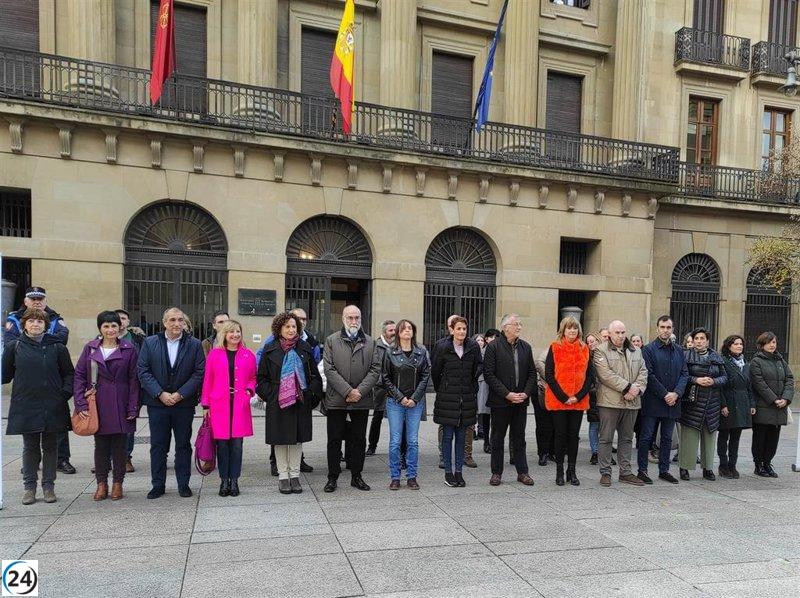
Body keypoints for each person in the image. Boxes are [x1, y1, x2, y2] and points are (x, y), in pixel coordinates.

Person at [4, 308, 74, 505]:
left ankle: (48, 486)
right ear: (24, 324)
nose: (36, 324)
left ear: (46, 325)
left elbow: (69, 374)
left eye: (40, 322)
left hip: (53, 404)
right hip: (26, 404)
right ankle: (29, 487)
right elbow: (6, 375)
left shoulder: (57, 347)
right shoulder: (14, 347)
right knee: (30, 447)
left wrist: (64, 394)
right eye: (31, 321)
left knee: (51, 446)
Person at [137, 307, 205, 499]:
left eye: (180, 320)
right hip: (157, 404)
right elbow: (143, 370)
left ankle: (183, 484)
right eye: (172, 320)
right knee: (158, 445)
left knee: (183, 445)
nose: (177, 324)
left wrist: (180, 394)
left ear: (184, 323)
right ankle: (158, 484)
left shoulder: (194, 344)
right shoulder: (150, 343)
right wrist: (160, 393)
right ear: (164, 322)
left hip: (183, 404)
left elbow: (199, 372)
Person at [74, 311, 140, 501]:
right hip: (98, 402)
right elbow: (79, 376)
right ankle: (101, 483)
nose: (110, 329)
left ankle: (118, 484)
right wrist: (80, 403)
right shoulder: (91, 349)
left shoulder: (129, 349)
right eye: (106, 326)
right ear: (100, 329)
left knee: (120, 447)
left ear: (120, 327)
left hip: (121, 401)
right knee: (101, 446)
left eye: (113, 325)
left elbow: (134, 380)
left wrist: (133, 407)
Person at [257, 312, 323, 494]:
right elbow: (261, 379)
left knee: (296, 441)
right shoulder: (270, 349)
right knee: (280, 441)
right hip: (278, 402)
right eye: (287, 326)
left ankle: (295, 475)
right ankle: (283, 477)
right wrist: (272, 395)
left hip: (300, 402)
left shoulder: (305, 348)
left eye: (294, 326)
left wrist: (309, 396)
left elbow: (315, 377)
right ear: (279, 328)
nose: (291, 329)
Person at [322, 305, 384, 492]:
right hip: (337, 401)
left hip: (361, 401)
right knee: (334, 440)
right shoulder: (331, 340)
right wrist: (347, 391)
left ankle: (356, 476)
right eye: (350, 318)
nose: (354, 321)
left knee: (358, 440)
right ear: (343, 319)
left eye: (357, 317)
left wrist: (359, 391)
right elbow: (329, 369)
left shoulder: (370, 342)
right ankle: (332, 477)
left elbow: (375, 369)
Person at [201, 320, 257, 497]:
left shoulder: (248, 354)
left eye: (238, 331)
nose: (235, 335)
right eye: (231, 331)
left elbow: (254, 377)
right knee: (222, 445)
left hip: (239, 404)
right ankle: (224, 480)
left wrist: (249, 390)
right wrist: (205, 404)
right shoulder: (214, 355)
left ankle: (234, 481)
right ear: (224, 334)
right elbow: (207, 380)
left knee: (237, 446)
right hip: (219, 405)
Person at [484, 314, 537, 486]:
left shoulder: (526, 347)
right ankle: (496, 473)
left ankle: (523, 472)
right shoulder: (493, 347)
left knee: (519, 438)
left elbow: (531, 374)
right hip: (500, 402)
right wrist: (507, 394)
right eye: (516, 324)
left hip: (520, 402)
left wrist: (525, 393)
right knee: (497, 438)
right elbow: (489, 375)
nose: (519, 327)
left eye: (520, 324)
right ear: (505, 327)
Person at [593, 320, 648, 487]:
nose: (621, 335)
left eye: (623, 332)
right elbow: (605, 375)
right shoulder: (600, 350)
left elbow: (643, 372)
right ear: (609, 334)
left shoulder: (636, 350)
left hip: (632, 402)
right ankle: (605, 473)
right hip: (610, 402)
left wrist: (637, 390)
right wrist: (628, 387)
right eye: (617, 332)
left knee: (626, 439)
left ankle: (625, 472)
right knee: (606, 439)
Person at [638, 316, 688, 485]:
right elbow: (649, 375)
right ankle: (642, 470)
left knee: (667, 438)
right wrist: (665, 394)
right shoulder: (649, 350)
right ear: (657, 328)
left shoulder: (679, 350)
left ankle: (664, 470)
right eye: (662, 327)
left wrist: (677, 393)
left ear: (672, 329)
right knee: (646, 437)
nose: (666, 330)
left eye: (669, 327)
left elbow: (684, 374)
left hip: (673, 402)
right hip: (654, 400)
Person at [543, 317, 592, 486]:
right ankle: (559, 471)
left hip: (578, 400)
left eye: (575, 328)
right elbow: (549, 374)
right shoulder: (555, 347)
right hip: (559, 400)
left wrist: (577, 396)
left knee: (573, 436)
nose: (572, 331)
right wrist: (564, 397)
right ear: (563, 330)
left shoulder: (585, 349)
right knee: (560, 435)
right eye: (569, 328)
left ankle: (572, 470)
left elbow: (589, 377)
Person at [433, 316, 481, 488]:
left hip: (466, 398)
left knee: (462, 437)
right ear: (451, 330)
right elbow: (436, 371)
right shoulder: (442, 346)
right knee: (447, 436)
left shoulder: (473, 346)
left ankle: (459, 472)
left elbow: (478, 367)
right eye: (458, 328)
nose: (462, 332)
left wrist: (471, 387)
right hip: (448, 398)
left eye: (464, 329)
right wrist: (445, 388)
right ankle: (448, 473)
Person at [383, 319, 430, 489]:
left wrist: (415, 398)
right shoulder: (390, 352)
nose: (407, 331)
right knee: (395, 441)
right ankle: (395, 476)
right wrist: (400, 398)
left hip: (415, 403)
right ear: (398, 332)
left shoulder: (421, 352)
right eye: (403, 329)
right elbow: (385, 377)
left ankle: (411, 476)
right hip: (395, 402)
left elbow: (426, 376)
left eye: (410, 328)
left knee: (413, 441)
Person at [678, 327, 727, 481]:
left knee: (710, 437)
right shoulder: (686, 355)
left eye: (702, 338)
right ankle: (684, 467)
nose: (699, 341)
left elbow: (725, 377)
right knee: (689, 437)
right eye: (696, 338)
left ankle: (708, 468)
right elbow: (682, 375)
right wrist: (696, 380)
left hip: (712, 402)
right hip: (693, 402)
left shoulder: (716, 357)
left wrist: (713, 381)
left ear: (707, 341)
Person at [750, 331, 794, 478]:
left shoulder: (781, 360)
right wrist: (774, 399)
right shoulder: (756, 361)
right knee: (760, 438)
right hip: (764, 406)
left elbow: (789, 379)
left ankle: (767, 463)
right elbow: (759, 383)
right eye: (769, 342)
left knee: (773, 439)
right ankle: (758, 465)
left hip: (779, 407)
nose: (772, 345)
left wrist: (786, 399)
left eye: (774, 342)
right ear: (762, 344)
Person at [718, 334, 755, 479]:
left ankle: (733, 465)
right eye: (736, 344)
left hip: (742, 402)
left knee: (736, 437)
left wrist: (751, 404)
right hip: (729, 402)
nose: (739, 346)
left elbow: (749, 386)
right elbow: (720, 387)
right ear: (729, 346)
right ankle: (723, 465)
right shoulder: (724, 362)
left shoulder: (746, 363)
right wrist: (723, 404)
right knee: (724, 435)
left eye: (741, 344)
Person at [116, 308, 145, 473]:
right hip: (108, 389)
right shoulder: (99, 341)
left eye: (124, 318)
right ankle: (107, 457)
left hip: (132, 388)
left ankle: (126, 457)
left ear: (128, 321)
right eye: (117, 318)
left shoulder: (137, 339)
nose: (120, 321)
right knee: (106, 424)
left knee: (128, 423)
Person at [367, 320, 396, 456]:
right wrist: (380, 382)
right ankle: (372, 446)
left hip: (395, 389)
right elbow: (373, 367)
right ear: (384, 332)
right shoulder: (375, 345)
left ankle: (397, 447)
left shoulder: (398, 345)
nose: (394, 333)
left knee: (396, 419)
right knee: (377, 417)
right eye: (391, 330)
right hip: (380, 388)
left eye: (394, 330)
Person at [533, 347, 556, 467]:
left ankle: (552, 451)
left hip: (559, 394)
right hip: (543, 392)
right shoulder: (550, 349)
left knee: (555, 424)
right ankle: (543, 453)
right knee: (543, 424)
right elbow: (539, 363)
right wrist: (553, 380)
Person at [585, 333, 601, 465]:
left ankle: (604, 452)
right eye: (588, 342)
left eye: (593, 341)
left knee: (606, 426)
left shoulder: (604, 354)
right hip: (592, 395)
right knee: (594, 424)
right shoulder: (586, 357)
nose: (591, 344)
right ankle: (595, 452)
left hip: (605, 394)